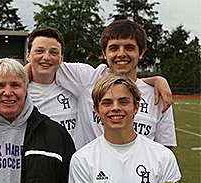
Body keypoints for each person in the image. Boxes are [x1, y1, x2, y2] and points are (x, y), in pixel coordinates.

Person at [56, 19, 176, 149]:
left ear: (141, 52)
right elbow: (41, 65)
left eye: (129, 48)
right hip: (91, 168)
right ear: (104, 53)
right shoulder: (87, 79)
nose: (121, 54)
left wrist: (157, 80)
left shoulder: (158, 96)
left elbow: (164, 151)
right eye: (114, 48)